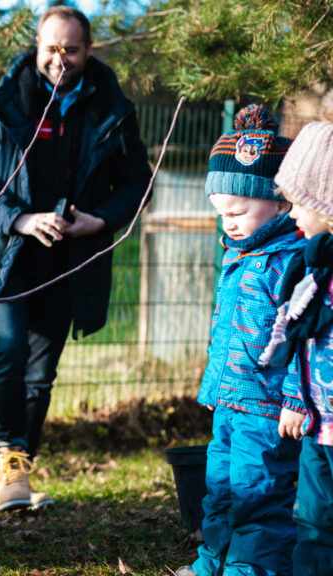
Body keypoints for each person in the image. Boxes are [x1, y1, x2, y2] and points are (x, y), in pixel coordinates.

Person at [0, 5, 152, 511]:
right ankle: (9, 460)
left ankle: (19, 470)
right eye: (51, 48)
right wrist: (17, 218)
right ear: (37, 48)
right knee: (9, 351)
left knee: (41, 374)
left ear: (88, 50)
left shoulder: (113, 110)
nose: (60, 59)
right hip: (7, 256)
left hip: (68, 260)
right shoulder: (2, 105)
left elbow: (136, 183)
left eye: (71, 49)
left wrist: (99, 220)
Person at [173, 105, 303, 576]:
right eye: (221, 212)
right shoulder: (238, 254)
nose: (227, 222)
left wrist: (296, 400)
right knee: (220, 489)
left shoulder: (293, 261)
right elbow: (223, 330)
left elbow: (305, 340)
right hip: (229, 402)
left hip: (268, 409)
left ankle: (250, 569)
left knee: (259, 494)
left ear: (281, 203)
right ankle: (212, 560)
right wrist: (213, 387)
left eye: (239, 211)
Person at [259, 119, 333, 576]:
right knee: (313, 522)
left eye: (299, 203)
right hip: (317, 427)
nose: (291, 215)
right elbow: (301, 343)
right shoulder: (313, 271)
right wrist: (295, 400)